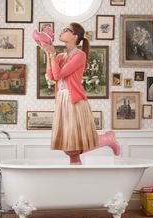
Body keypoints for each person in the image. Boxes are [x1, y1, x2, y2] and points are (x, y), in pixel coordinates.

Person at [41, 22, 120, 165]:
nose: (62, 31)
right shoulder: (60, 57)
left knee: (72, 148)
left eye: (66, 30)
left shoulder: (80, 56)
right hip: (62, 101)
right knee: (70, 150)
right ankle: (107, 139)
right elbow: (51, 76)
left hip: (74, 101)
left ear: (75, 36)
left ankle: (108, 139)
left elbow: (58, 75)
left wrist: (52, 53)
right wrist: (49, 54)